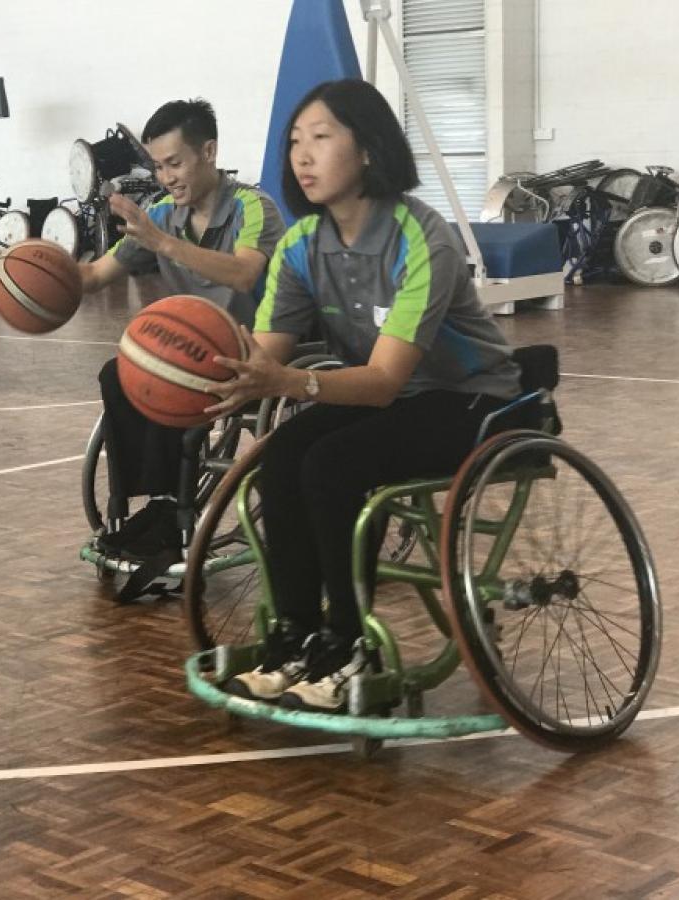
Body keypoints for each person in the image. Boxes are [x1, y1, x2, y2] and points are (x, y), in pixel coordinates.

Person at [206, 79, 529, 712]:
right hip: (393, 398)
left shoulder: (422, 238)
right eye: (295, 141)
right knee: (284, 450)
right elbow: (265, 355)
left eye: (322, 138)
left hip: (470, 399)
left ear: (370, 150)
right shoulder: (300, 246)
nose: (303, 156)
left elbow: (383, 382)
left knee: (333, 464)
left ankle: (349, 644)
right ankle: (296, 636)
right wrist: (205, 372)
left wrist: (290, 382)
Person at [0, 99, 285, 566]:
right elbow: (93, 276)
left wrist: (163, 243)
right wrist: (19, 269)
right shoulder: (161, 214)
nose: (166, 178)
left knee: (170, 374)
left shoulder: (253, 207)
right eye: (158, 166)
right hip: (194, 347)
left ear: (209, 152)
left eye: (175, 163)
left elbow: (243, 274)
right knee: (118, 373)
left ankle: (169, 515)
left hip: (253, 351)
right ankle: (155, 508)